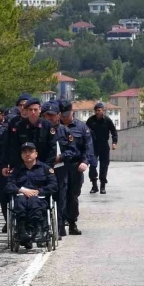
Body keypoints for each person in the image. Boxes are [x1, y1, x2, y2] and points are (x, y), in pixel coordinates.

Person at [5, 142, 58, 250]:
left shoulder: (45, 168)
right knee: (19, 202)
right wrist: (20, 190)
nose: (27, 154)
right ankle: (22, 231)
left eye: (30, 151)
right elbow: (8, 186)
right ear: (21, 155)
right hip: (21, 197)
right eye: (24, 152)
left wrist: (39, 191)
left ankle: (38, 230)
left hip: (39, 199)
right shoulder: (16, 170)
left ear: (36, 154)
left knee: (34, 201)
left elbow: (54, 185)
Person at [60, 100, 95, 235]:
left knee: (73, 195)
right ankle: (61, 222)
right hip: (60, 165)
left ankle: (72, 222)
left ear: (72, 111)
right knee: (61, 194)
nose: (64, 117)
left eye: (66, 114)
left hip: (75, 165)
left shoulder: (81, 127)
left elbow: (88, 146)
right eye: (62, 114)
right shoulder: (56, 127)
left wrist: (85, 161)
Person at [1, 96, 57, 177]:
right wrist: (9, 165)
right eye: (30, 110)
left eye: (35, 109)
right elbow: (13, 148)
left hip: (43, 168)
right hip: (22, 169)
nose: (33, 112)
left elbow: (52, 149)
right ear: (27, 111)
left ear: (40, 110)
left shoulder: (47, 126)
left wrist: (47, 168)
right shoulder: (19, 126)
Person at [40, 101, 71, 238]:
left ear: (58, 115)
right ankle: (45, 228)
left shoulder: (65, 131)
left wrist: (62, 157)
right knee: (43, 198)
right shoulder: (39, 130)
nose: (50, 118)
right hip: (43, 170)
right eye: (47, 115)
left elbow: (73, 151)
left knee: (60, 200)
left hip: (60, 170)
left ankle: (58, 228)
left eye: (53, 115)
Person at [86, 102, 118, 194]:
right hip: (93, 146)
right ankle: (94, 186)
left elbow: (113, 131)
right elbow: (85, 133)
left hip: (104, 145)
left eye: (99, 110)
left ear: (103, 111)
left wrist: (114, 142)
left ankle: (102, 186)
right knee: (92, 166)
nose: (97, 112)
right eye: (96, 110)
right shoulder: (91, 120)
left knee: (104, 166)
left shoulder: (107, 120)